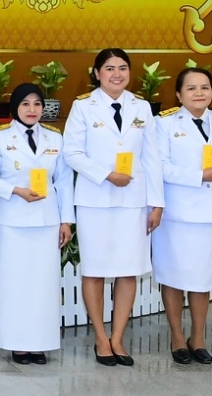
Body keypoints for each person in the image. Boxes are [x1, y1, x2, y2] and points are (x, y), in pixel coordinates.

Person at [61, 48, 164, 365]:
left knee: (128, 270)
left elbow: (152, 157)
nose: (116, 74)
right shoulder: (83, 106)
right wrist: (106, 175)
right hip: (95, 201)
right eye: (109, 68)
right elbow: (72, 153)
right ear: (97, 73)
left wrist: (157, 203)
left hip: (133, 201)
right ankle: (100, 337)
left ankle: (118, 337)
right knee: (94, 270)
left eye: (122, 68)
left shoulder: (141, 107)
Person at [151, 67, 212, 365]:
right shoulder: (164, 123)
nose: (199, 93)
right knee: (174, 276)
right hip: (178, 214)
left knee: (204, 279)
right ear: (179, 94)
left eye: (204, 87)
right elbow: (159, 167)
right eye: (191, 88)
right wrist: (198, 175)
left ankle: (198, 337)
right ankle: (177, 337)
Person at [0, 83, 74, 363]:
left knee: (44, 284)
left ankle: (40, 343)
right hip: (12, 220)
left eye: (37, 104)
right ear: (15, 107)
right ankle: (18, 344)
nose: (32, 109)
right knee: (14, 283)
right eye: (25, 104)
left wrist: (66, 221)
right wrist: (15, 190)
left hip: (47, 220)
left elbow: (64, 181)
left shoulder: (55, 138)